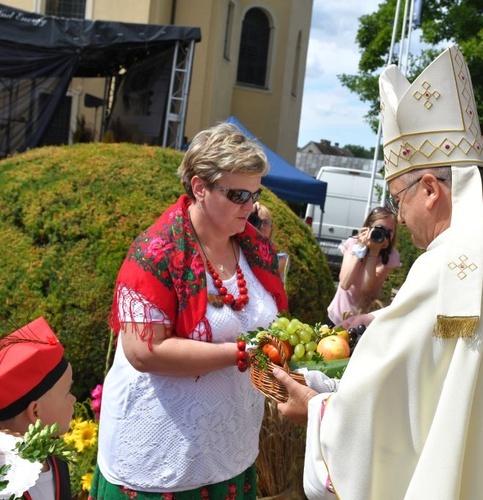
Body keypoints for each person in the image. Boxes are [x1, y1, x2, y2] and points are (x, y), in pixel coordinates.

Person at [273, 46, 483, 499]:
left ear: (429, 190)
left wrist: (317, 410)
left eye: (398, 198)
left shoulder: (454, 269)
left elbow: (388, 409)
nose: (398, 218)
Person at [91, 122, 288, 499]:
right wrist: (240, 354)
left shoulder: (254, 248)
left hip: (229, 452)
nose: (250, 206)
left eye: (255, 194)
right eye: (237, 195)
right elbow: (144, 352)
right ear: (199, 187)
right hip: (161, 458)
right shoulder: (156, 252)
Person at [0, 317, 75, 499]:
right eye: (67, 392)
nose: (73, 400)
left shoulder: (57, 462)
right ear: (35, 412)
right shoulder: (5, 485)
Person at [327, 206, 401, 325]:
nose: (384, 234)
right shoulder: (353, 244)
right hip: (337, 316)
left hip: (362, 320)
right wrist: (360, 249)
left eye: (389, 231)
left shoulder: (390, 256)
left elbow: (366, 289)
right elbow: (345, 283)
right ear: (367, 228)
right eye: (380, 228)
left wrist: (374, 252)